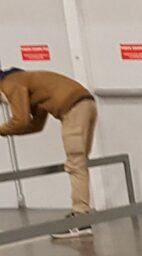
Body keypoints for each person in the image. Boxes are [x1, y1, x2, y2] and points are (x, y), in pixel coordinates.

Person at [0, 68, 98, 240]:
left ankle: (81, 220)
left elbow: (21, 120)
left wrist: (2, 130)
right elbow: (36, 124)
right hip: (87, 104)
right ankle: (82, 214)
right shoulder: (28, 81)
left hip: (73, 109)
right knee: (80, 163)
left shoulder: (10, 83)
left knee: (75, 165)